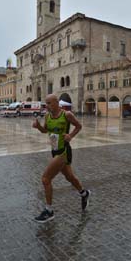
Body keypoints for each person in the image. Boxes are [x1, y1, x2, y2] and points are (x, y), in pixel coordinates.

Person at [32, 94, 90, 223]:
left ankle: (49, 211)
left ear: (56, 103)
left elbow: (79, 126)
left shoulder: (67, 115)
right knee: (70, 177)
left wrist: (70, 136)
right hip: (54, 150)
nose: (47, 106)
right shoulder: (47, 116)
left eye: (49, 103)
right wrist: (38, 127)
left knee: (45, 179)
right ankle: (84, 193)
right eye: (46, 103)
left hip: (64, 151)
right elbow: (45, 131)